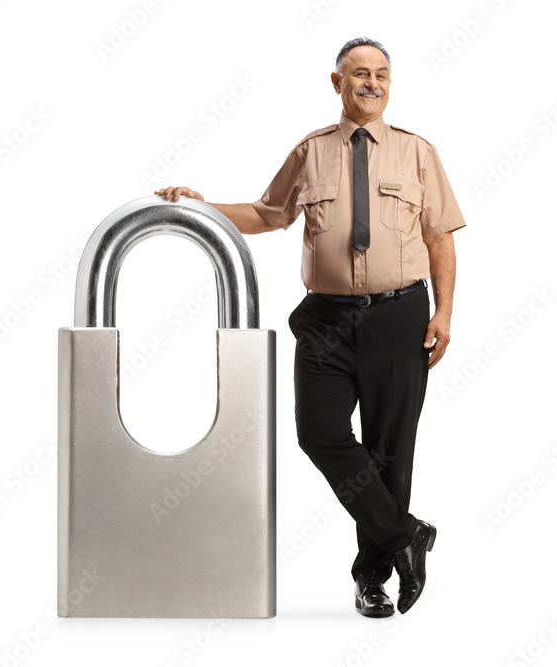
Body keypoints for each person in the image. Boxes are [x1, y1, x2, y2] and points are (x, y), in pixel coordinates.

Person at [155, 36, 466, 618]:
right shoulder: (312, 151)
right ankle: (406, 536)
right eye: (358, 74)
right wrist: (204, 206)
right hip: (325, 320)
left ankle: (372, 579)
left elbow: (439, 237)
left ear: (390, 84)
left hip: (401, 314)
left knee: (389, 450)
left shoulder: (418, 153)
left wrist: (443, 312)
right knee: (318, 433)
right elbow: (268, 215)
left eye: (381, 74)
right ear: (336, 82)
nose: (371, 83)